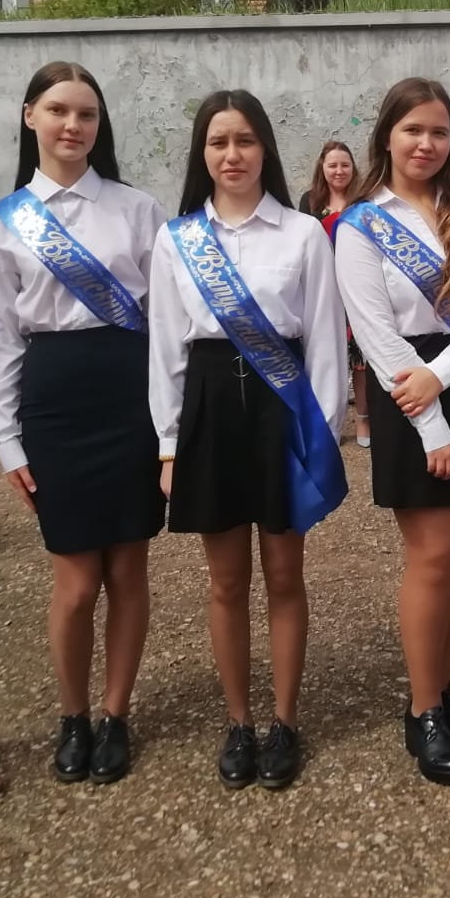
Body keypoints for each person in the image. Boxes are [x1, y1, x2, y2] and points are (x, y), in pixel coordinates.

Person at [150, 91, 348, 791]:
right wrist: (168, 444)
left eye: (244, 140)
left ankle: (284, 721)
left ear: (265, 147)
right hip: (209, 410)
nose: (231, 155)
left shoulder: (302, 233)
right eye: (217, 142)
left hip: (282, 410)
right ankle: (238, 721)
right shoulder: (177, 239)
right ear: (202, 153)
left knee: (286, 576)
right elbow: (165, 351)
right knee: (226, 581)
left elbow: (325, 341)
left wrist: (321, 435)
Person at [0, 61, 166, 786]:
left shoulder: (137, 209)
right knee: (76, 581)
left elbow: (164, 323)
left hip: (129, 392)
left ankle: (115, 714)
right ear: (30, 116)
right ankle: (72, 714)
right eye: (58, 110)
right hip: (53, 399)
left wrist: (169, 427)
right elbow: (0, 338)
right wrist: (6, 438)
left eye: (86, 113)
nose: (72, 125)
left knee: (128, 569)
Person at [334, 77, 450, 786]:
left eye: (439, 131)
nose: (426, 143)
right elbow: (377, 337)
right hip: (408, 397)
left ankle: (446, 683)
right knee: (434, 557)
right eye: (413, 129)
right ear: (387, 136)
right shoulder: (361, 225)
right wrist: (433, 418)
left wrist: (443, 377)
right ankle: (422, 710)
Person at [305, 142, 372, 449]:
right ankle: (325, 419)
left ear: (353, 168)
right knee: (326, 355)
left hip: (356, 288)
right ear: (322, 168)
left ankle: (363, 418)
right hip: (322, 288)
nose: (339, 171)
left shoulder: (364, 200)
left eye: (345, 165)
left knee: (360, 361)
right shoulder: (310, 202)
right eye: (332, 165)